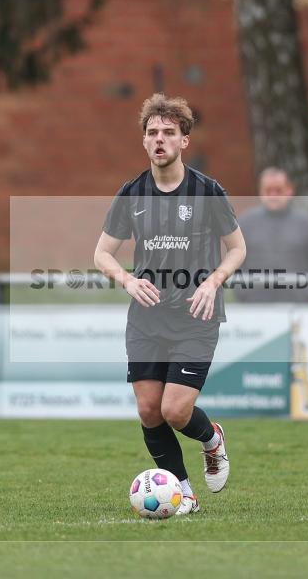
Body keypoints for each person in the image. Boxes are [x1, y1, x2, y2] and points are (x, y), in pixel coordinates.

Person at [94, 93, 246, 515]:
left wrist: (213, 282)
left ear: (184, 141)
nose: (159, 140)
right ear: (144, 142)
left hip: (196, 316)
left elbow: (237, 249)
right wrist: (127, 280)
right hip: (146, 319)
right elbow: (101, 254)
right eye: (152, 133)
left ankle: (212, 439)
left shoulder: (207, 191)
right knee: (148, 410)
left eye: (168, 133)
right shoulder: (132, 194)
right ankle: (184, 493)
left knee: (175, 411)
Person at [235, 167, 308, 303]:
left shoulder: (306, 224)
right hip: (254, 306)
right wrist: (244, 292)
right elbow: (235, 261)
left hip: (297, 307)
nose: (273, 195)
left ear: (289, 190)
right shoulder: (245, 223)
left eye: (278, 190)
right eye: (268, 190)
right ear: (260, 192)